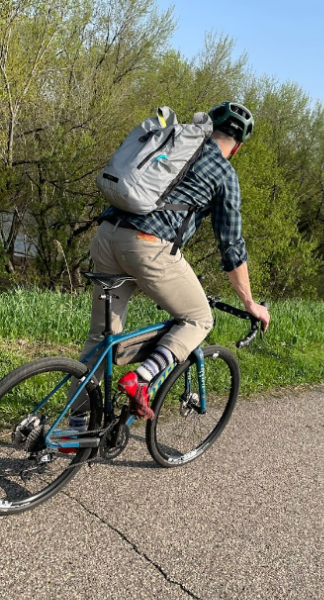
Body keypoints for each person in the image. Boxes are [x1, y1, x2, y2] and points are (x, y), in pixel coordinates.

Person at [79, 101, 270, 421]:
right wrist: (250, 302)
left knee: (101, 338)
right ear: (236, 147)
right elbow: (232, 245)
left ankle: (73, 428)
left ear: (209, 127)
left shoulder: (174, 141)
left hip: (106, 235)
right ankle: (141, 378)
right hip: (146, 247)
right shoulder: (224, 173)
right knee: (198, 318)